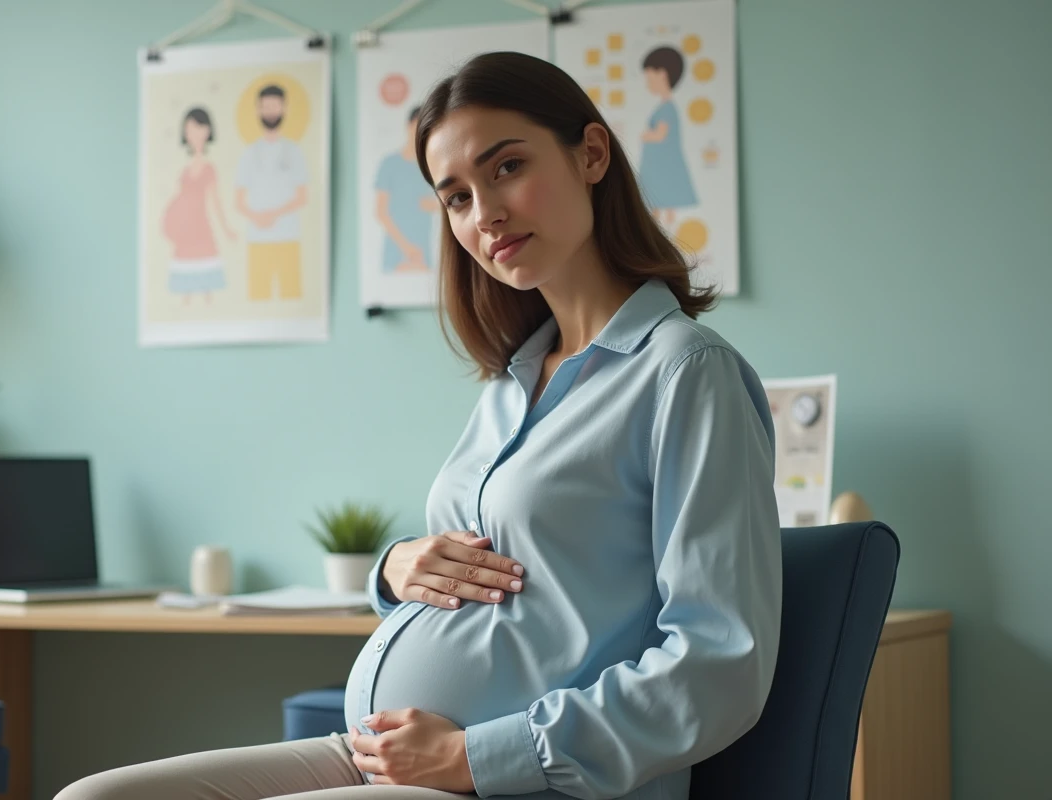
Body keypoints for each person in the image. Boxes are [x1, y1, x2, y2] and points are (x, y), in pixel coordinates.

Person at [56, 51, 780, 800]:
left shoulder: (686, 374)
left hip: (530, 782)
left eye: (505, 169)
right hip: (388, 756)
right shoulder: (513, 382)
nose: (484, 214)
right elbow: (500, 575)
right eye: (456, 197)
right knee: (94, 799)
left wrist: (477, 758)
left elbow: (719, 664)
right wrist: (393, 568)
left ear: (591, 154)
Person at [235, 84, 309, 301]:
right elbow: (238, 201)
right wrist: (257, 217)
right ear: (258, 109)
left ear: (284, 108)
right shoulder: (249, 154)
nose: (270, 111)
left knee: (291, 292)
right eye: (265, 106)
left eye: (275, 106)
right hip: (258, 240)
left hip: (288, 236)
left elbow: (302, 196)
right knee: (259, 294)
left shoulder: (294, 151)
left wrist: (273, 214)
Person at [162, 107, 236, 303]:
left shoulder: (209, 168)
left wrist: (226, 229)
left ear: (207, 130)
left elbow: (215, 201)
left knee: (205, 284)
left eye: (198, 128)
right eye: (189, 129)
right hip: (185, 228)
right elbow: (177, 199)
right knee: (186, 283)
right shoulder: (184, 169)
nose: (193, 133)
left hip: (200, 226)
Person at [375, 106, 440, 272]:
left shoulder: (432, 165)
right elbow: (381, 212)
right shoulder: (390, 164)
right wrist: (407, 248)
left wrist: (432, 205)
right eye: (416, 126)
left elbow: (446, 202)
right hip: (397, 248)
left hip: (422, 245)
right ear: (408, 126)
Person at [638, 46, 698, 227]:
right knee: (658, 198)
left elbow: (661, 133)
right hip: (658, 163)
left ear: (662, 75)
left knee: (663, 195)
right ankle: (660, 225)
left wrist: (646, 136)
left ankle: (666, 226)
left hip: (663, 164)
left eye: (649, 77)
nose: (647, 83)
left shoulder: (667, 108)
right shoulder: (664, 106)